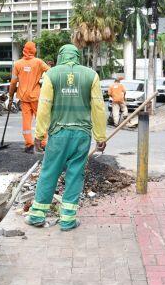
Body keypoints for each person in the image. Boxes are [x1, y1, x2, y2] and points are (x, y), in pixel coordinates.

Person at [27, 45, 107, 231]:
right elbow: (98, 107)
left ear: (61, 56)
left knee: (49, 172)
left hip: (58, 134)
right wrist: (101, 136)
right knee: (75, 175)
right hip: (82, 135)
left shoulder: (52, 74)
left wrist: (39, 134)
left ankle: (37, 216)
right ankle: (68, 220)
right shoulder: (91, 75)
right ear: (77, 57)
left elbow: (44, 105)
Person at [9, 41, 50, 153]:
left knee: (26, 122)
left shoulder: (17, 64)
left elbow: (13, 82)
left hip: (23, 97)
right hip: (36, 97)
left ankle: (29, 145)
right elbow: (51, 73)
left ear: (24, 49)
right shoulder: (38, 62)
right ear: (33, 50)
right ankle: (43, 143)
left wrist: (11, 95)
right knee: (40, 120)